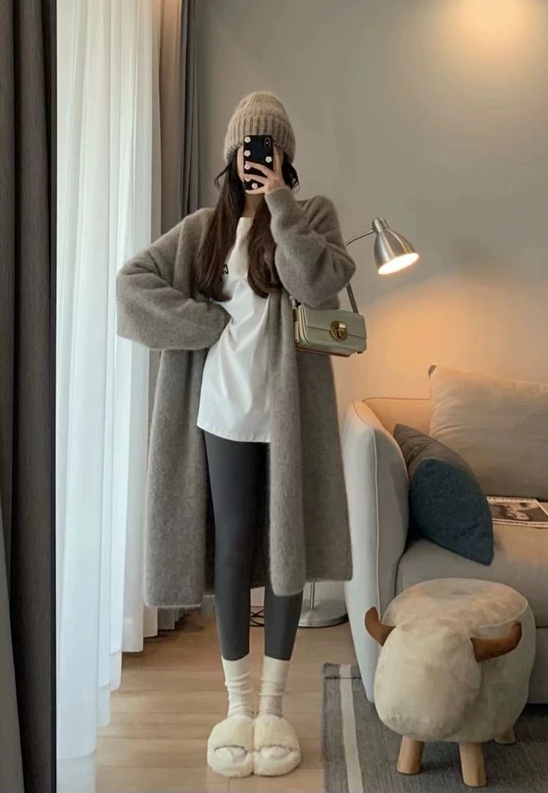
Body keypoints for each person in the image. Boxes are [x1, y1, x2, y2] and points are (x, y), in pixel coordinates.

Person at [116, 91, 355, 779]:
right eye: (250, 148)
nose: (258, 158)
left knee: (285, 554)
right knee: (231, 550)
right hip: (220, 414)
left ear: (286, 156)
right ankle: (238, 707)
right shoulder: (203, 231)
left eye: (270, 148)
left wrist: (279, 201)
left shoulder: (310, 216)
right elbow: (131, 285)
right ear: (231, 154)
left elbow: (317, 286)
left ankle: (274, 707)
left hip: (286, 416)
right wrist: (203, 323)